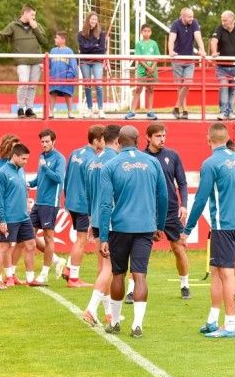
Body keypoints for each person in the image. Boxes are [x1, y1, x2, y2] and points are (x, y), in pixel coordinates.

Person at [182, 123, 235, 338]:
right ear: (226, 138)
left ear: (209, 139)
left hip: (223, 225)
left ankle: (231, 325)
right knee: (216, 270)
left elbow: (200, 199)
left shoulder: (210, 163)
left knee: (226, 273)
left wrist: (187, 229)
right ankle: (213, 320)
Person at [99, 126, 168, 338]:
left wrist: (103, 236)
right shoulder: (153, 162)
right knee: (139, 275)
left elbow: (104, 205)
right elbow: (163, 197)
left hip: (120, 227)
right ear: (139, 141)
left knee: (118, 274)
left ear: (118, 142)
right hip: (145, 227)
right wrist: (160, 225)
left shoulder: (110, 165)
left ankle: (116, 321)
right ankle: (137, 324)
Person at [137, 123, 192, 300]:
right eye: (158, 136)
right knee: (140, 250)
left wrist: (184, 205)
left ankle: (185, 285)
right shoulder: (141, 158)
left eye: (163, 136)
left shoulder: (172, 155)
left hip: (170, 211)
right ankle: (132, 289)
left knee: (178, 248)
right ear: (148, 137)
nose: (162, 139)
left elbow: (182, 183)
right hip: (147, 212)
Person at [81, 124, 121, 326]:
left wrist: (90, 219)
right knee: (110, 268)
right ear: (117, 141)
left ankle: (107, 312)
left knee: (102, 266)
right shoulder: (115, 161)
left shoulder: (92, 162)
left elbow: (88, 194)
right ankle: (91, 308)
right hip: (111, 220)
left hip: (96, 218)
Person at [0, 4, 47, 118]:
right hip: (22, 60)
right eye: (32, 15)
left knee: (32, 86)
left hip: (36, 61)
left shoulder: (37, 25)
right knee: (23, 83)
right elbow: (0, 36)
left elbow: (44, 41)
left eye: (34, 15)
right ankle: (21, 108)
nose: (34, 17)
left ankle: (29, 109)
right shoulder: (13, 25)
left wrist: (35, 27)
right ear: (25, 13)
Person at [62, 125, 105, 287]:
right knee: (82, 240)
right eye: (103, 139)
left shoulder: (75, 153)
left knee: (80, 239)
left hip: (72, 202)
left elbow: (67, 178)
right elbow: (90, 185)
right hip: (82, 204)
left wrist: (66, 199)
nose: (105, 142)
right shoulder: (92, 159)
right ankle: (73, 279)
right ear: (96, 141)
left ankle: (68, 268)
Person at [0, 144, 37, 289]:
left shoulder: (21, 170)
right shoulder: (2, 173)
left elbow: (23, 190)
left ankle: (30, 279)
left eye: (27, 159)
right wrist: (2, 220)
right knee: (2, 248)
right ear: (15, 156)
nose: (26, 161)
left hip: (24, 217)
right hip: (9, 219)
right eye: (24, 158)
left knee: (31, 245)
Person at [26, 129, 66, 286]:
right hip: (38, 202)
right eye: (42, 142)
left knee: (49, 238)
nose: (44, 144)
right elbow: (39, 178)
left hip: (50, 203)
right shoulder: (42, 156)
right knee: (28, 235)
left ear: (54, 141)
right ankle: (57, 260)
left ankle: (44, 273)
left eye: (47, 141)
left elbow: (58, 178)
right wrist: (30, 183)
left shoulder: (59, 158)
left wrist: (46, 168)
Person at [0, 134, 26, 287]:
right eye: (14, 147)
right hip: (7, 211)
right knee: (4, 245)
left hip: (20, 212)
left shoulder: (19, 166)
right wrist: (3, 215)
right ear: (7, 147)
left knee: (18, 243)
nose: (17, 150)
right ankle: (2, 278)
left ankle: (10, 275)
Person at [169, 8, 207, 120]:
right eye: (189, 17)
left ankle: (176, 107)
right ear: (183, 17)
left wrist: (202, 49)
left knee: (187, 83)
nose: (192, 18)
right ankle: (185, 110)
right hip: (178, 59)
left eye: (192, 16)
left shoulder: (194, 23)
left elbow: (198, 36)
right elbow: (171, 39)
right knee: (180, 86)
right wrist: (171, 51)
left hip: (190, 59)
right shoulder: (176, 24)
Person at [126, 24, 160, 120]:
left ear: (151, 32)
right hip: (142, 70)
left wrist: (152, 67)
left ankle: (150, 111)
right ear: (141, 32)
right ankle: (132, 111)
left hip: (152, 70)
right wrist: (147, 67)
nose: (146, 33)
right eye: (145, 31)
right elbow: (139, 57)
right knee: (138, 89)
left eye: (148, 31)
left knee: (150, 89)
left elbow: (157, 57)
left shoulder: (154, 43)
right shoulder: (139, 44)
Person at [78, 11, 107, 118]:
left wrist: (90, 47)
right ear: (88, 20)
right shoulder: (81, 34)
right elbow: (82, 48)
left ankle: (100, 110)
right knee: (87, 85)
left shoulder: (101, 33)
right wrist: (94, 45)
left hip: (97, 61)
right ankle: (90, 109)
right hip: (84, 61)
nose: (94, 21)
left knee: (98, 85)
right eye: (92, 19)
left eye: (95, 19)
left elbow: (102, 49)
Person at [48, 31, 77, 119]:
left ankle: (70, 112)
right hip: (54, 77)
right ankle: (51, 111)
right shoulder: (53, 51)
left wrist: (69, 76)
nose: (55, 39)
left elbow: (73, 65)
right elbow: (49, 64)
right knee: (53, 93)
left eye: (57, 38)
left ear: (62, 40)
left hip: (65, 78)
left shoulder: (69, 51)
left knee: (67, 94)